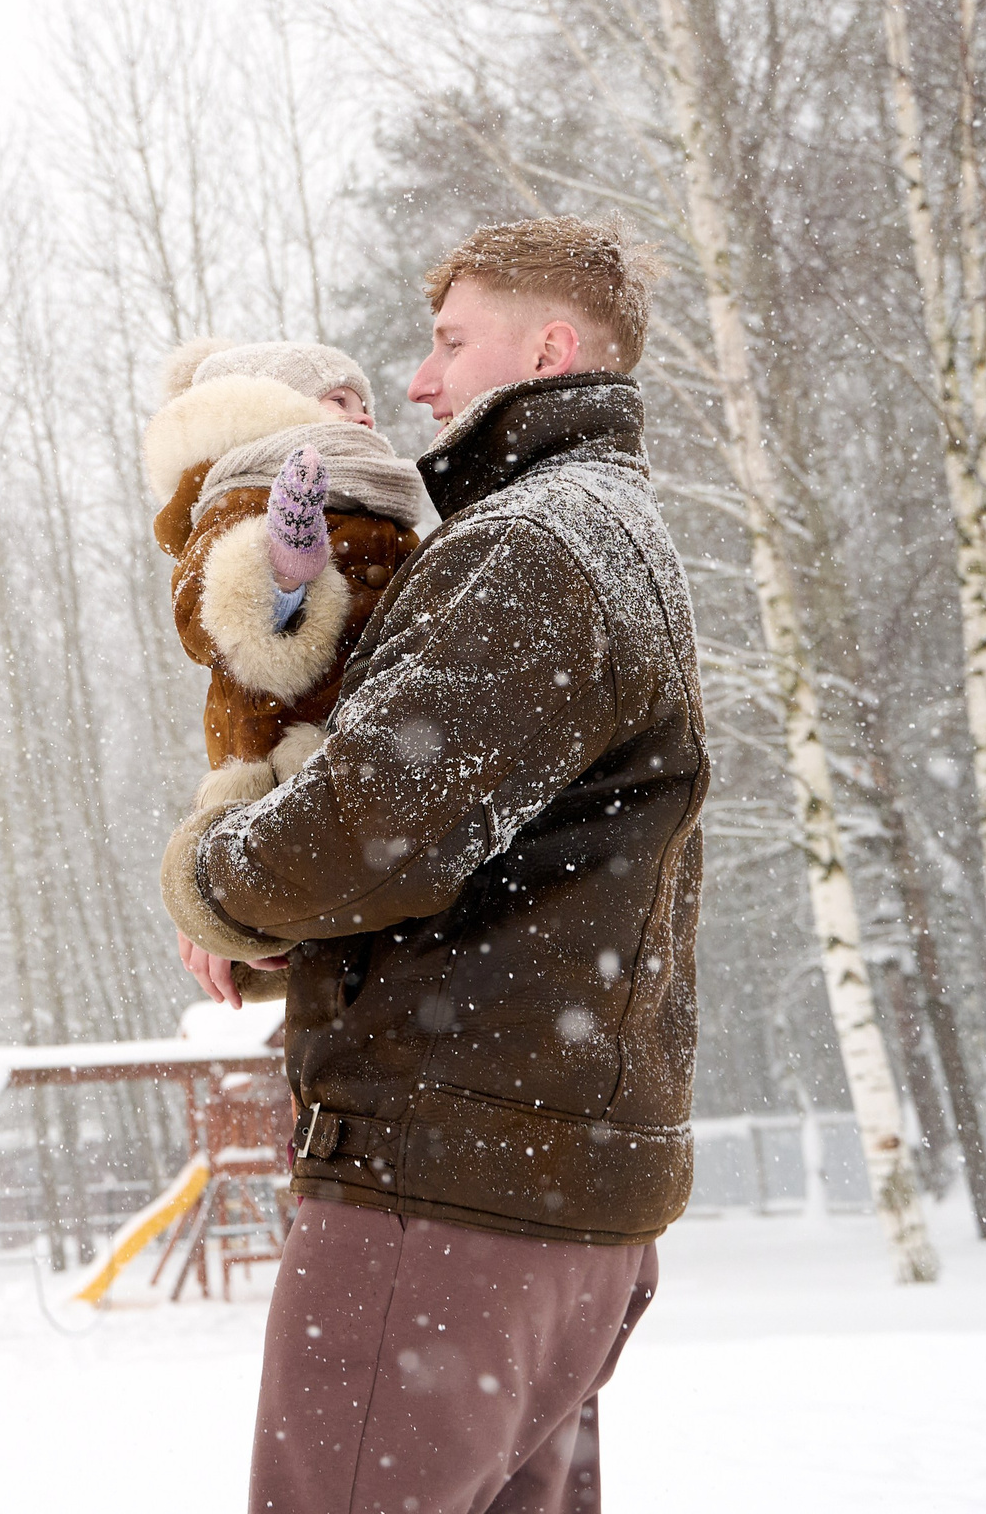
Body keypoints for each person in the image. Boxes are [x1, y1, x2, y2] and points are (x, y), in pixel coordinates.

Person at [160, 217, 703, 1514]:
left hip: (451, 1190)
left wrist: (212, 888)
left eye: (452, 341)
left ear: (551, 348)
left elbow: (378, 827)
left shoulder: (535, 543)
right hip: (556, 1192)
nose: (418, 380)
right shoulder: (617, 537)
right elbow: (453, 828)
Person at [145, 339, 434, 1005]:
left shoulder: (378, 500)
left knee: (345, 936)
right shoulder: (243, 493)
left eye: (364, 404)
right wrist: (279, 569)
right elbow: (214, 621)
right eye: (338, 401)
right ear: (276, 408)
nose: (362, 418)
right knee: (304, 925)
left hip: (368, 760)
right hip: (282, 755)